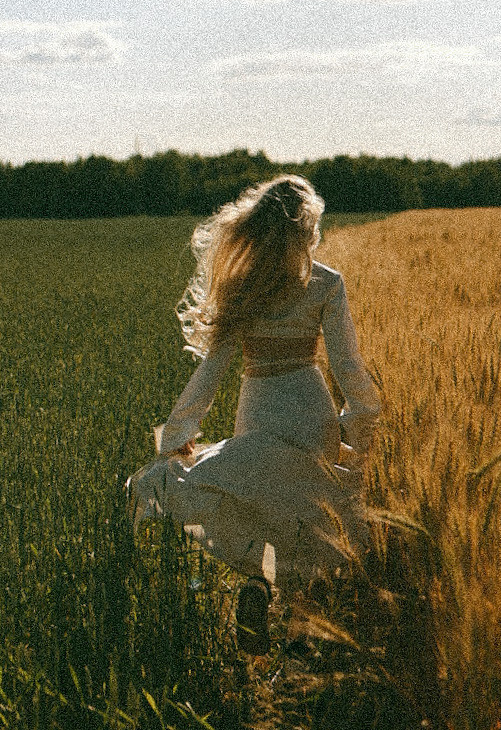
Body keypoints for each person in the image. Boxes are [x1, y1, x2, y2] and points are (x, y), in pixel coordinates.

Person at [126, 174, 380, 655]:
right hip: (311, 415)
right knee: (307, 520)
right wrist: (356, 429)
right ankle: (301, 642)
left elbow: (210, 372)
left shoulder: (242, 287)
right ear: (303, 230)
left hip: (258, 411)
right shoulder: (327, 283)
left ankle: (257, 591)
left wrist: (177, 437)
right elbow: (349, 368)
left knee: (255, 506)